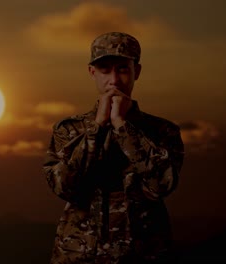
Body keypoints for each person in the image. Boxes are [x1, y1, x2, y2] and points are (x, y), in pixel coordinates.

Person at [43, 32, 184, 263]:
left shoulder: (162, 131)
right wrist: (97, 128)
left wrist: (121, 126)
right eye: (105, 70)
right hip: (80, 255)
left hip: (143, 254)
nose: (114, 80)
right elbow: (64, 187)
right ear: (92, 73)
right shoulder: (69, 130)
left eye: (122, 69)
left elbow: (161, 185)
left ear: (136, 71)